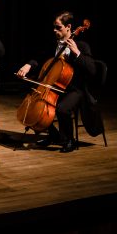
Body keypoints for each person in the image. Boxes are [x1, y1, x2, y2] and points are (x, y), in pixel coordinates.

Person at [16, 11, 96, 153]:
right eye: (54, 27)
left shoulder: (81, 46)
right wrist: (28, 65)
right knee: (36, 103)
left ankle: (69, 140)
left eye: (58, 27)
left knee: (62, 109)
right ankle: (54, 135)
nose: (54, 30)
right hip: (54, 86)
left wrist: (77, 53)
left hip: (75, 89)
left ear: (69, 27)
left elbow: (92, 70)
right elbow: (40, 59)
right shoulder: (53, 44)